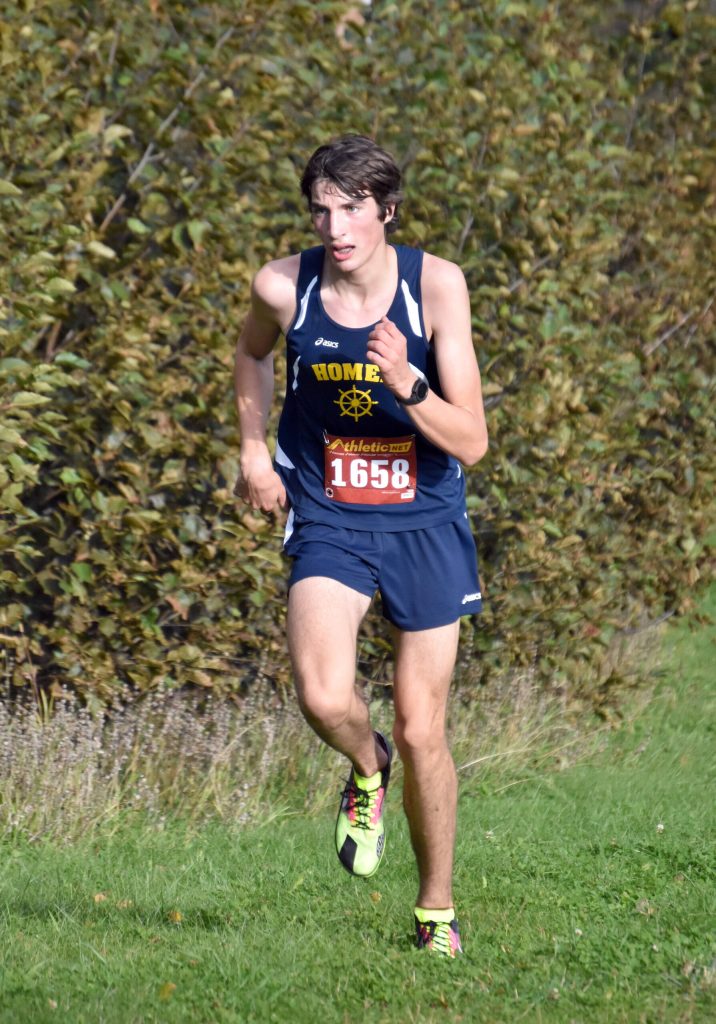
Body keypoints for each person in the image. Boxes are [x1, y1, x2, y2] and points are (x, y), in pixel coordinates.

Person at [234, 134, 488, 958]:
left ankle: (436, 912)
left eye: (351, 208)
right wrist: (251, 452)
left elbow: (473, 440)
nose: (335, 226)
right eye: (321, 208)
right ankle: (364, 764)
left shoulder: (436, 287)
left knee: (424, 729)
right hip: (330, 511)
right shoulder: (284, 286)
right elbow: (251, 354)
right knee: (322, 694)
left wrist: (407, 384)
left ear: (385, 209)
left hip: (423, 520)